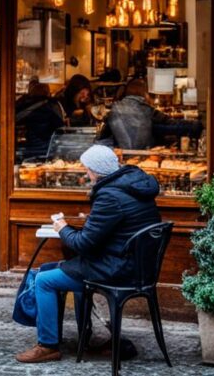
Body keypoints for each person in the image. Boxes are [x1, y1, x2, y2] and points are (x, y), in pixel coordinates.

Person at [16, 145, 162, 363]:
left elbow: (83, 244)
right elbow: (116, 227)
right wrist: (92, 221)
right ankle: (87, 336)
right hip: (137, 266)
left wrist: (62, 227)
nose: (86, 174)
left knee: (44, 279)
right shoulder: (134, 185)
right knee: (63, 269)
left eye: (87, 169)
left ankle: (47, 346)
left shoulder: (110, 196)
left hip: (116, 270)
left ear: (96, 170)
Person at [99, 79, 203, 150]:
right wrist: (196, 125)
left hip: (121, 155)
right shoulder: (146, 109)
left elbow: (102, 137)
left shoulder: (113, 109)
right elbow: (170, 123)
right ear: (144, 94)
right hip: (144, 155)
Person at [16, 83, 66, 160]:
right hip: (47, 149)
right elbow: (61, 128)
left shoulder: (26, 105)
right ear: (47, 93)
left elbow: (17, 121)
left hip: (30, 148)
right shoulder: (51, 105)